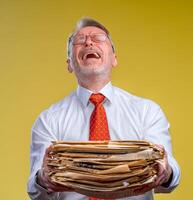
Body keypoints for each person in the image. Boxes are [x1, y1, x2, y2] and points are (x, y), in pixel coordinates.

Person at [27, 18, 180, 200]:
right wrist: (42, 179)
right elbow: (36, 192)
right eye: (80, 40)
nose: (89, 42)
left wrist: (166, 170)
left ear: (114, 58)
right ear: (69, 63)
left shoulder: (147, 112)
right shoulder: (48, 120)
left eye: (98, 38)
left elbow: (170, 179)